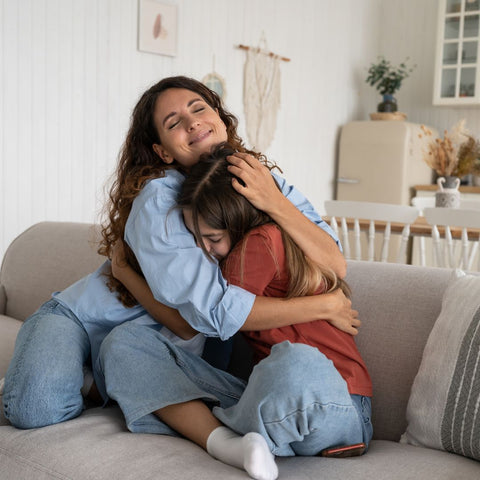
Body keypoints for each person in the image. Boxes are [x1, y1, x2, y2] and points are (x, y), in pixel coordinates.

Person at [2, 76, 356, 433]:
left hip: (159, 348)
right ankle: (76, 376)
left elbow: (334, 263)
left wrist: (275, 202)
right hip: (86, 319)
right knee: (34, 409)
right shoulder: (160, 197)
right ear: (164, 152)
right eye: (173, 123)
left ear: (220, 116)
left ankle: (98, 383)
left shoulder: (261, 179)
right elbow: (203, 317)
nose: (192, 122)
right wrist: (326, 306)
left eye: (199, 108)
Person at [104, 144, 372, 480]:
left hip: (337, 404)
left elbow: (218, 320)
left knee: (295, 362)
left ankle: (213, 426)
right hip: (266, 398)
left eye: (212, 238)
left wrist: (127, 274)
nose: (205, 250)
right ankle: (229, 441)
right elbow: (205, 328)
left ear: (237, 220)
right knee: (125, 343)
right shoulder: (249, 247)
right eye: (196, 238)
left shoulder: (259, 243)